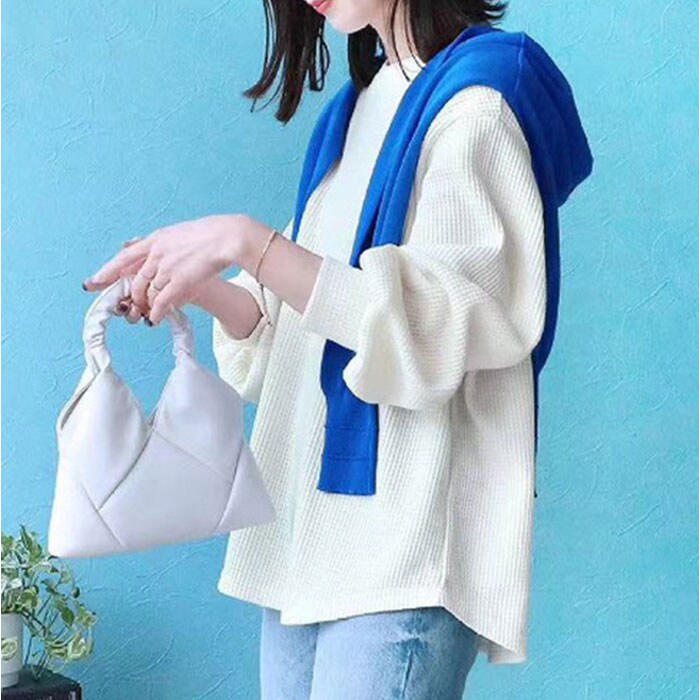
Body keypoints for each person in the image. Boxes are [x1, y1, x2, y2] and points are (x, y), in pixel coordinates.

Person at [82, 0, 593, 697]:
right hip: (306, 548)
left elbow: (440, 323)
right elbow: (304, 331)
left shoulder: (478, 104)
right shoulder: (356, 110)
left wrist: (248, 243)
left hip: (401, 549)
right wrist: (202, 285)